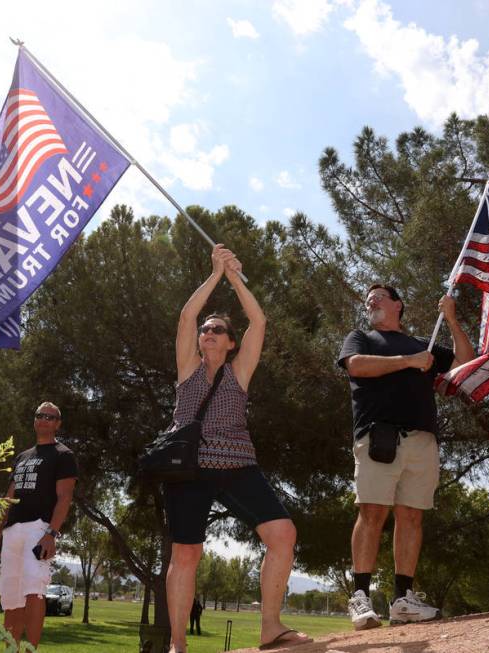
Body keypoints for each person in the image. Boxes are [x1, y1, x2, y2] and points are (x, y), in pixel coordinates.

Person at [163, 244, 311, 653]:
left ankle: (270, 627)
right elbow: (186, 316)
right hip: (188, 469)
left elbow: (259, 320)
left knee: (283, 534)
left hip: (237, 465)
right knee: (186, 554)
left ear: (230, 343)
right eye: (205, 331)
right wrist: (214, 273)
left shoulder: (239, 373)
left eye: (217, 331)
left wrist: (233, 278)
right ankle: (178, 644)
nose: (207, 333)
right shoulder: (188, 368)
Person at [337, 284, 474, 629]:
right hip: (379, 436)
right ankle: (361, 598)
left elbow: (466, 362)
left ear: (398, 304)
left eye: (379, 295)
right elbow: (355, 366)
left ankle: (402, 600)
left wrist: (453, 319)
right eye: (368, 297)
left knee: (411, 517)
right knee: (372, 512)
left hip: (422, 441)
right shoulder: (361, 337)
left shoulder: (422, 344)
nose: (371, 299)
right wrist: (409, 362)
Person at [0, 401, 78, 648]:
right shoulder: (22, 457)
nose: (43, 420)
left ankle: (31, 648)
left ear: (57, 424)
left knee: (33, 590)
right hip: (12, 531)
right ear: (34, 420)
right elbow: (8, 498)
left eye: (50, 417)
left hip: (39, 529)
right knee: (10, 596)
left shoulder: (63, 455)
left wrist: (51, 533)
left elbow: (65, 497)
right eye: (40, 415)